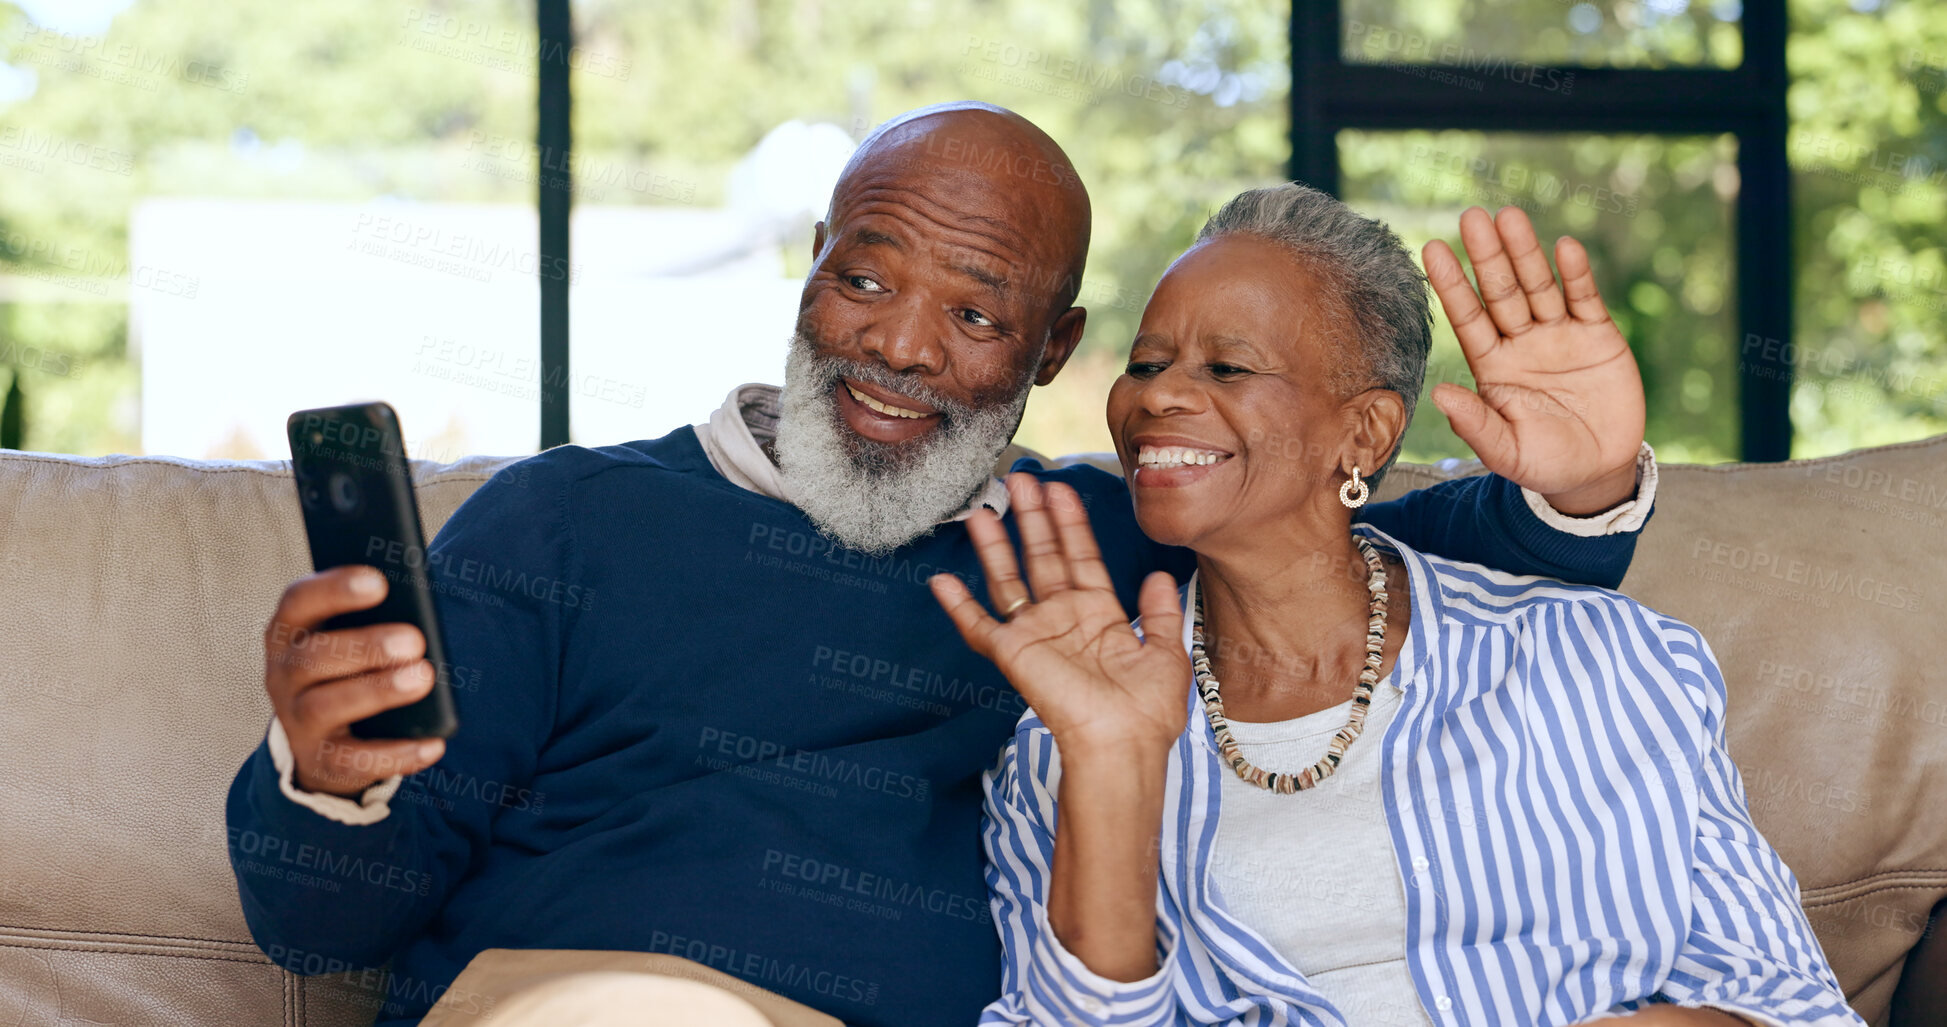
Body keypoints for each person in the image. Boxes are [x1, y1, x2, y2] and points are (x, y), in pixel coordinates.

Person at [227, 104, 1658, 1027]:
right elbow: (318, 923)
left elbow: (1366, 555)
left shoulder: (1088, 545)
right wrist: (329, 771)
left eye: (975, 313)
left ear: (1048, 350)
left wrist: (1579, 480)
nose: (900, 346)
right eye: (865, 277)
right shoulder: (562, 522)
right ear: (809, 274)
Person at [931, 183, 1860, 1026]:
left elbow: (1796, 1009)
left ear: (1365, 431)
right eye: (1146, 362)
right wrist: (1112, 769)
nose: (1157, 395)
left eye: (1226, 369)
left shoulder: (1605, 659)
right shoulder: (1062, 739)